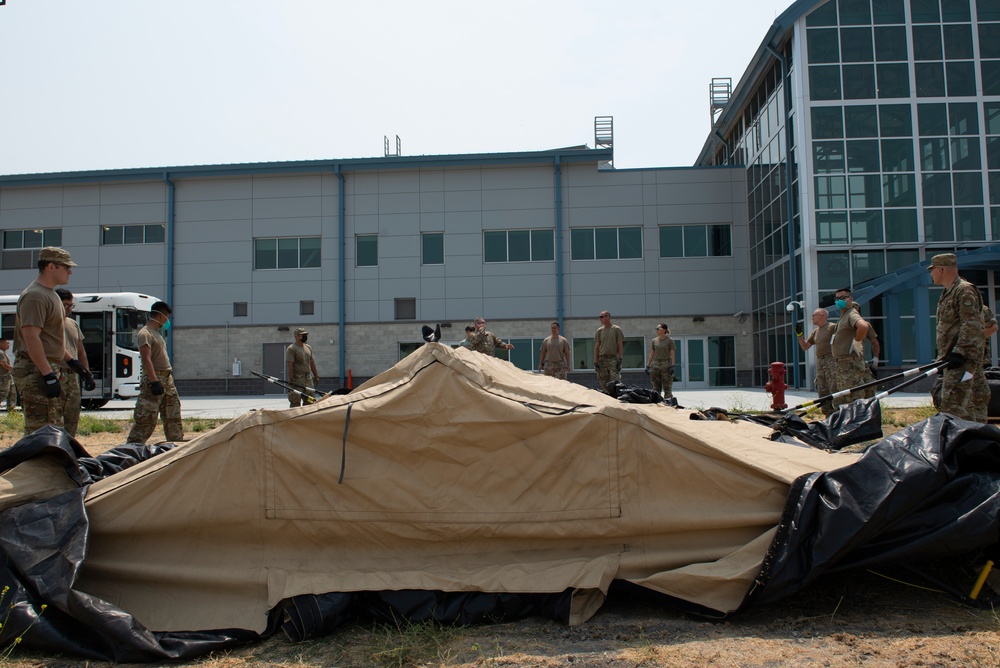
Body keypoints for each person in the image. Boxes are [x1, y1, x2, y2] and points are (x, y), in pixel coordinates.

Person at [13, 247, 88, 435]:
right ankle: (31, 465)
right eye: (66, 267)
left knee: (53, 428)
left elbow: (51, 339)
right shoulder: (35, 296)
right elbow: (31, 337)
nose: (70, 271)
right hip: (35, 369)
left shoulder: (52, 295)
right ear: (51, 267)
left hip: (45, 367)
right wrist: (47, 374)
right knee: (41, 432)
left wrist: (72, 361)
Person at [929, 253, 989, 423]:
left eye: (932, 270)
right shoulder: (949, 292)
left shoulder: (964, 290)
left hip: (962, 360)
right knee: (967, 403)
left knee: (953, 404)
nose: (931, 274)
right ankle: (974, 442)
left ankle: (964, 442)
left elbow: (971, 324)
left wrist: (960, 351)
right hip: (952, 359)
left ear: (940, 270)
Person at [127, 301, 184, 443]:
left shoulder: (157, 334)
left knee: (173, 417)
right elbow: (146, 359)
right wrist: (154, 381)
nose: (167, 321)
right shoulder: (145, 334)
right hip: (155, 379)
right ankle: (131, 450)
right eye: (166, 317)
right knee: (146, 420)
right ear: (159, 316)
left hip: (167, 379)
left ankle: (176, 447)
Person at [56, 289, 96, 437]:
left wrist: (86, 373)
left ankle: (70, 447)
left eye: (71, 305)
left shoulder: (72, 324)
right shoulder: (49, 323)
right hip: (57, 372)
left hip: (72, 375)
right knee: (54, 416)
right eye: (66, 305)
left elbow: (81, 351)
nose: (69, 309)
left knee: (72, 415)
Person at [830, 288, 870, 408]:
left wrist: (857, 341)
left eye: (842, 298)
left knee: (853, 399)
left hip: (849, 365)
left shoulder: (851, 314)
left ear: (850, 299)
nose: (839, 301)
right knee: (843, 400)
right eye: (837, 299)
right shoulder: (843, 315)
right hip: (843, 366)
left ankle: (857, 423)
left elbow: (863, 326)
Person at [797, 308, 836, 414]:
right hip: (820, 361)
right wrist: (799, 336)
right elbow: (805, 346)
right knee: (822, 388)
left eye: (814, 315)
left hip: (831, 360)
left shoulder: (832, 327)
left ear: (821, 315)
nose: (812, 317)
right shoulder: (816, 332)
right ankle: (828, 414)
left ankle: (838, 414)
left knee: (834, 387)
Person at [285, 327, 319, 407]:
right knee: (295, 401)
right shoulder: (291, 349)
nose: (304, 336)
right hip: (297, 379)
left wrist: (316, 375)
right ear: (296, 336)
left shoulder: (308, 347)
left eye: (305, 335)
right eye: (302, 335)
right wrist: (291, 378)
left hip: (308, 378)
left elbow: (312, 362)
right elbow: (290, 365)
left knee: (310, 401)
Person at [594, 311, 624, 393]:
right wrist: (595, 361)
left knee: (615, 380)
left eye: (602, 317)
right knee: (603, 380)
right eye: (600, 317)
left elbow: (620, 345)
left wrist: (620, 359)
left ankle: (616, 397)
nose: (600, 319)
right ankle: (607, 396)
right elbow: (597, 346)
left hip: (613, 358)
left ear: (608, 317)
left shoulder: (616, 329)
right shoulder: (599, 331)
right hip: (602, 359)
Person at [645, 322, 675, 398]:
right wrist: (648, 365)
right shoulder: (654, 341)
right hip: (655, 365)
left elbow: (672, 353)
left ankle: (668, 404)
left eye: (658, 329)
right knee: (656, 387)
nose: (656, 330)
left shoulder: (669, 340)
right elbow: (651, 353)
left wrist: (673, 366)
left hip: (666, 364)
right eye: (656, 329)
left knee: (667, 387)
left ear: (664, 330)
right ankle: (657, 405)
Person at [0, 340, 14, 412]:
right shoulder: (1, 353)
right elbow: (4, 365)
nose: (9, 345)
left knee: (11, 393)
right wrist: (14, 370)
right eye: (7, 343)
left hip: (8, 376)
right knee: (3, 394)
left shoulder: (3, 352)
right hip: (3, 377)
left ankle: (12, 411)